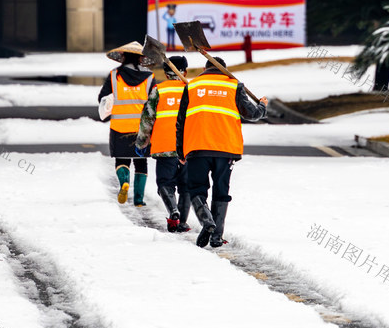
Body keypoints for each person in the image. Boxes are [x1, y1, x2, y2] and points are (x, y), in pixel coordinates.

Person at [176, 56, 268, 248]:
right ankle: (217, 236)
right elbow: (252, 114)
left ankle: (206, 221)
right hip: (226, 149)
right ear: (223, 70)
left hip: (197, 147)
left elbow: (181, 122)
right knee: (221, 191)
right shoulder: (234, 85)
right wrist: (262, 105)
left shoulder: (192, 86)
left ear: (205, 68)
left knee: (196, 189)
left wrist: (180, 152)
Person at [135, 55, 191, 232]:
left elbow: (147, 118)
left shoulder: (159, 90)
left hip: (164, 146)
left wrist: (141, 142)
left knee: (165, 183)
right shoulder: (192, 90)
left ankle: (173, 211)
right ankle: (181, 222)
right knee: (186, 186)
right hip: (189, 147)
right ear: (185, 72)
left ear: (166, 74)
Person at [98, 41, 155, 206]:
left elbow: (102, 97)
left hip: (119, 126)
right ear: (141, 58)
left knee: (121, 160)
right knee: (141, 162)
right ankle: (138, 199)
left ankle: (124, 181)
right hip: (141, 128)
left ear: (123, 56)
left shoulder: (114, 75)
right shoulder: (150, 76)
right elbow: (154, 102)